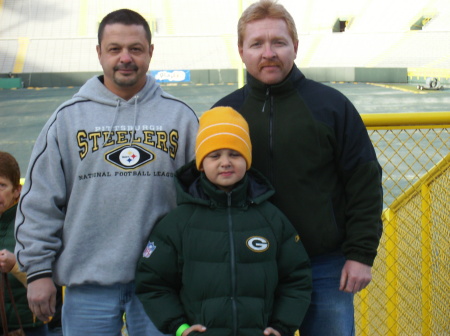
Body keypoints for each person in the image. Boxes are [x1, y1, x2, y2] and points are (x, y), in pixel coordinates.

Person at [14, 8, 198, 336]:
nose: (125, 58)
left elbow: (201, 202)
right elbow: (41, 200)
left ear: (150, 52)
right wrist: (38, 271)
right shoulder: (67, 119)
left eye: (135, 49)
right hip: (88, 287)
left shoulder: (180, 118)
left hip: (162, 286)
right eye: (114, 49)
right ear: (99, 53)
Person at [213, 1, 383, 335]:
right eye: (257, 44)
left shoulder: (332, 107)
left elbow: (363, 182)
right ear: (241, 51)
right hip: (250, 270)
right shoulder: (225, 114)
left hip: (322, 266)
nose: (268, 53)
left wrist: (361, 254)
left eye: (278, 42)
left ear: (295, 46)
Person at [135, 106, 312, 336]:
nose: (225, 162)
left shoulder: (271, 219)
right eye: (215, 155)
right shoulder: (178, 223)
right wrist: (179, 327)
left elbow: (297, 279)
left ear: (247, 160)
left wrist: (281, 326)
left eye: (235, 154)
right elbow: (153, 283)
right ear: (201, 163)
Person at [0, 151, 48, 335]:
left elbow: (50, 282)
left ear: (16, 190)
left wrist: (14, 265)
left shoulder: (34, 222)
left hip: (30, 326)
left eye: (1, 185)